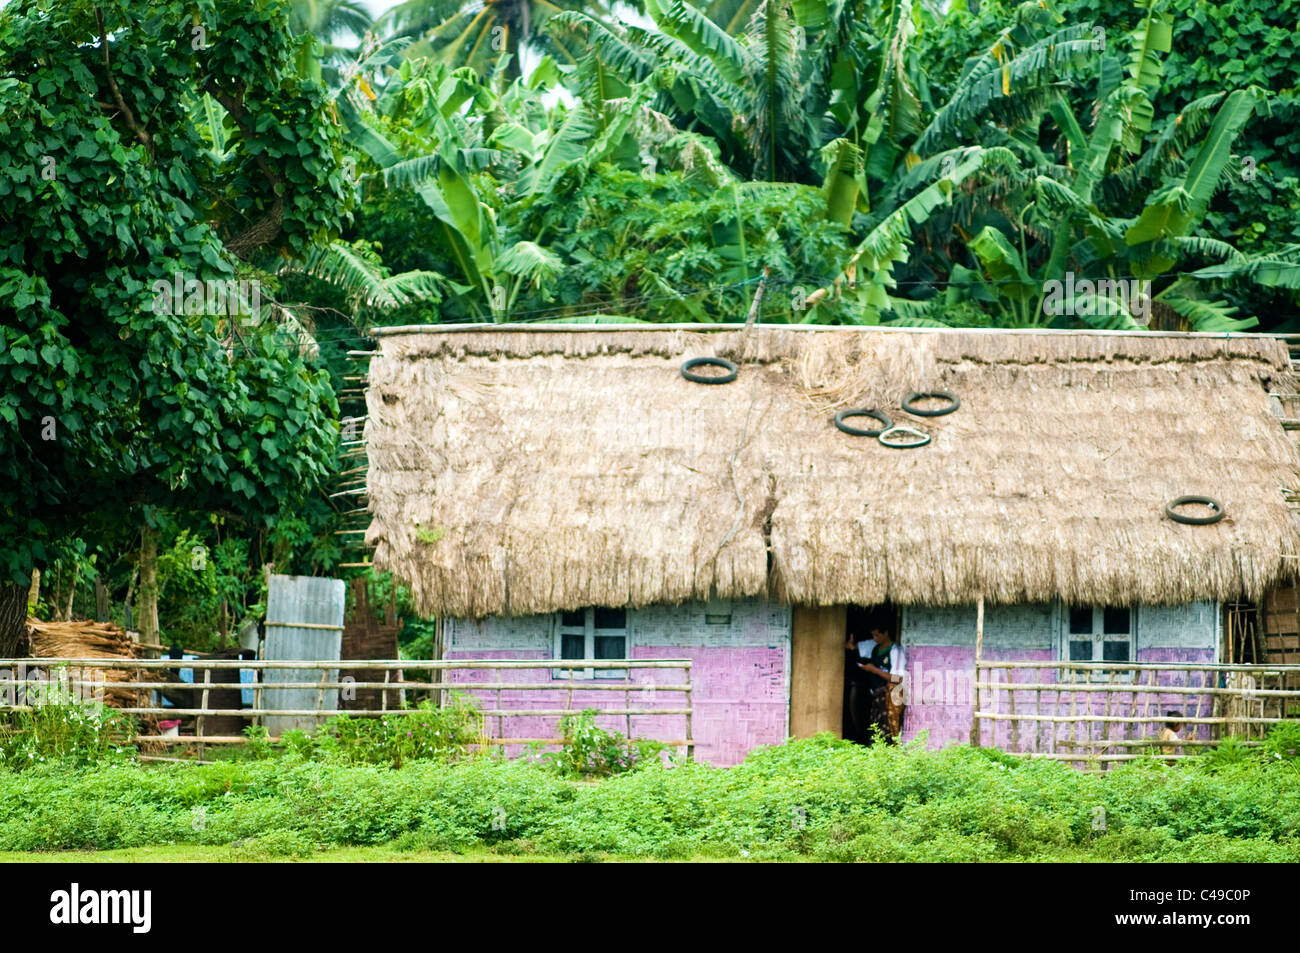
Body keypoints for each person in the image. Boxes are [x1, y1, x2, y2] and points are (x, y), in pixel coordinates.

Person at [858, 626, 905, 744]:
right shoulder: (875, 649)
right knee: (876, 732)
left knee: (888, 732)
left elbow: (898, 678)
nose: (874, 639)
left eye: (877, 635)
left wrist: (875, 670)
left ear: (886, 633)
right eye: (873, 635)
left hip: (889, 698)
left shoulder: (896, 651)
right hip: (876, 696)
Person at [843, 632, 872, 743]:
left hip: (863, 687)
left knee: (862, 717)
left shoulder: (872, 648)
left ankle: (862, 739)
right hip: (856, 686)